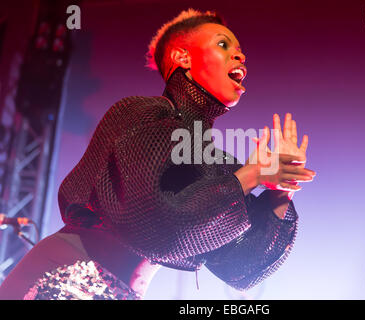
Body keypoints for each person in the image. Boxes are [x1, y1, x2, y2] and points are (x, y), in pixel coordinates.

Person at [0, 9, 316, 300]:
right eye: (223, 43)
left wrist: (279, 191)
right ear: (182, 57)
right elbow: (150, 222)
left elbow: (243, 269)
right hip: (60, 281)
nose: (240, 54)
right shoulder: (143, 113)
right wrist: (251, 175)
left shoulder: (212, 165)